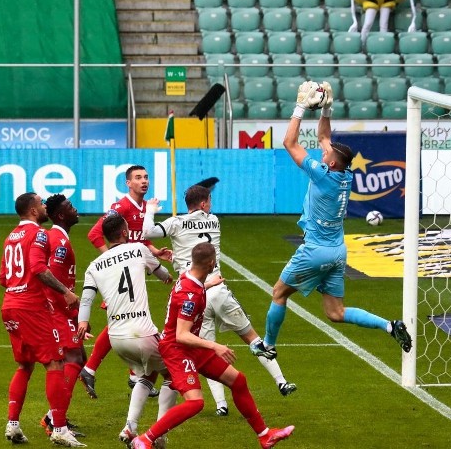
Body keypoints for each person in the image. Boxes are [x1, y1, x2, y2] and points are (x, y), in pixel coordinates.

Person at [256, 81, 412, 359]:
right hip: (338, 252)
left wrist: (301, 107)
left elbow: (289, 143)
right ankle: (390, 326)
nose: (322, 152)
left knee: (279, 292)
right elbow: (325, 139)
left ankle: (268, 344)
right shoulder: (346, 174)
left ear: (328, 164)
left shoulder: (322, 175)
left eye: (325, 155)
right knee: (335, 312)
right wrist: (326, 108)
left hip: (315, 251)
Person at [143, 184, 297, 418]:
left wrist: (151, 208)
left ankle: (221, 404)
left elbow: (148, 232)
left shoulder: (176, 222)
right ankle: (281, 380)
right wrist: (176, 255)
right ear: (204, 204)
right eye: (209, 201)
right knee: (253, 339)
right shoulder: (214, 221)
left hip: (196, 294)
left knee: (205, 349)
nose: (211, 205)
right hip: (219, 289)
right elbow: (198, 248)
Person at [131, 242, 294, 449]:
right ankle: (144, 439)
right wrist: (214, 346)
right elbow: (181, 335)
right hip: (177, 350)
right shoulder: (189, 295)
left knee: (238, 381)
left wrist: (209, 284)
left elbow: (192, 292)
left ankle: (265, 435)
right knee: (195, 402)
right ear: (211, 263)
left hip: (192, 347)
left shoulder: (192, 279)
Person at [77, 213, 176, 446]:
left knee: (147, 375)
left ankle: (130, 428)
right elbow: (162, 274)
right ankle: (159, 434)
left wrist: (83, 322)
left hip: (116, 339)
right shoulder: (138, 250)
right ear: (124, 232)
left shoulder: (94, 265)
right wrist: (168, 276)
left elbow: (87, 299)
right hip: (142, 332)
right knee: (172, 375)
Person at [0, 192, 85, 447]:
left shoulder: (10, 237)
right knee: (55, 363)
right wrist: (66, 292)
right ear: (33, 210)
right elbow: (38, 268)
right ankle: (59, 427)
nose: (44, 206)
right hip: (30, 308)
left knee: (25, 366)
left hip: (9, 306)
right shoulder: (38, 234)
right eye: (40, 203)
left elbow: (3, 277)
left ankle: (13, 424)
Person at [81, 164, 169, 398]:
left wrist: (154, 251)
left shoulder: (142, 207)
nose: (144, 181)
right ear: (128, 183)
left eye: (146, 177)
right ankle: (90, 369)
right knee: (120, 321)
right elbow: (94, 234)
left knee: (125, 320)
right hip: (119, 275)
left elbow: (137, 239)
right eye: (138, 178)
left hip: (128, 272)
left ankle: (134, 376)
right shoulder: (120, 207)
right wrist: (113, 261)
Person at [39, 194, 86, 439]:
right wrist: (72, 313)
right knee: (73, 359)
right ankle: (54, 420)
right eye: (70, 207)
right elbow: (52, 278)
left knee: (77, 358)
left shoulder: (58, 237)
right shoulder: (58, 240)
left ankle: (56, 416)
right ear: (60, 215)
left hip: (60, 311)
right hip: (57, 311)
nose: (75, 208)